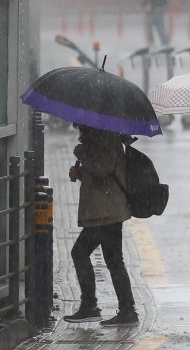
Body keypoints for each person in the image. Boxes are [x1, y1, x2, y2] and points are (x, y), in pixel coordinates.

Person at [63, 124, 139, 326]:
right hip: (105, 211)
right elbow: (97, 171)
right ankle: (127, 310)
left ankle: (91, 306)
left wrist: (82, 153)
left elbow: (101, 169)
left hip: (106, 212)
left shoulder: (106, 135)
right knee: (114, 260)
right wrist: (80, 173)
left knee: (80, 252)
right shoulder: (101, 135)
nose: (76, 125)